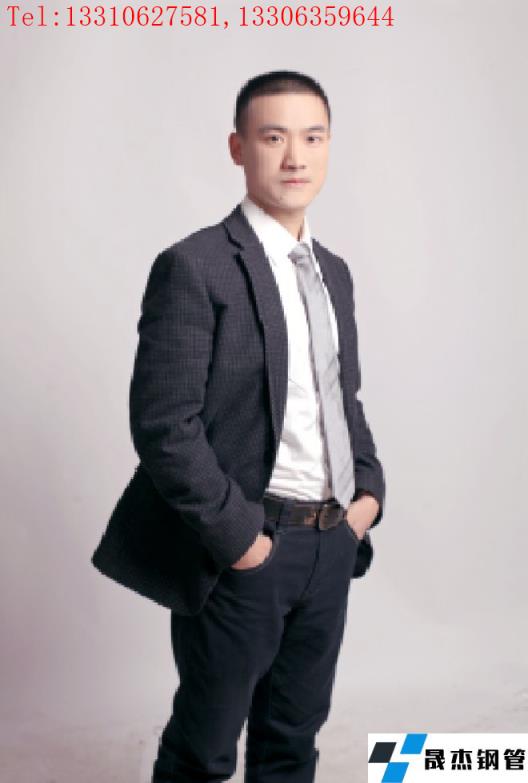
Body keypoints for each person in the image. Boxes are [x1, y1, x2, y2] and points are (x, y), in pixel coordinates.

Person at [91, 69, 386, 783]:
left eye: (312, 138)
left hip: (331, 542)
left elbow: (340, 396)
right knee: (204, 750)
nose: (295, 157)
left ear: (329, 147)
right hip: (246, 545)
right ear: (238, 148)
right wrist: (241, 541)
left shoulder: (335, 272)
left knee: (292, 743)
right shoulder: (195, 266)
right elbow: (165, 425)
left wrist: (368, 496)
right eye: (274, 137)